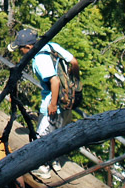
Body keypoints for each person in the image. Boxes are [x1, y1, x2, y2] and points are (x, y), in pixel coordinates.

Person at [9, 28, 80, 178]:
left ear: (28, 47)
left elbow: (54, 80)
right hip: (66, 100)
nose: (20, 51)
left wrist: (52, 104)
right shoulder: (51, 46)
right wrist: (74, 83)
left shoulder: (40, 59)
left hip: (53, 103)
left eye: (20, 48)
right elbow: (73, 61)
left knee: (42, 136)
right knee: (58, 133)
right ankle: (54, 162)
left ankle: (43, 168)